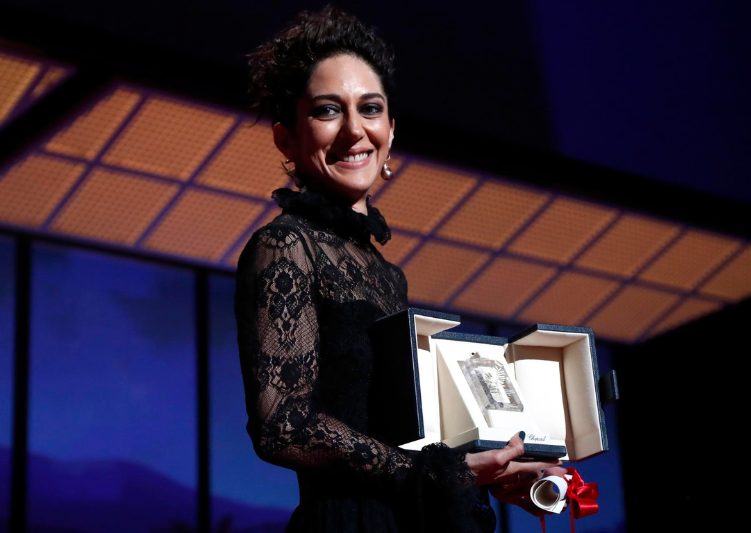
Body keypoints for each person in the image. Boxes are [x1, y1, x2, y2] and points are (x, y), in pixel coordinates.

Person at [235, 6, 566, 532]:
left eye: (370, 108)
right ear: (287, 139)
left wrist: (494, 472)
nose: (354, 130)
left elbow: (404, 442)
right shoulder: (284, 246)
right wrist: (433, 474)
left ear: (389, 131)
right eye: (327, 110)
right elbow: (283, 425)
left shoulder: (388, 276)